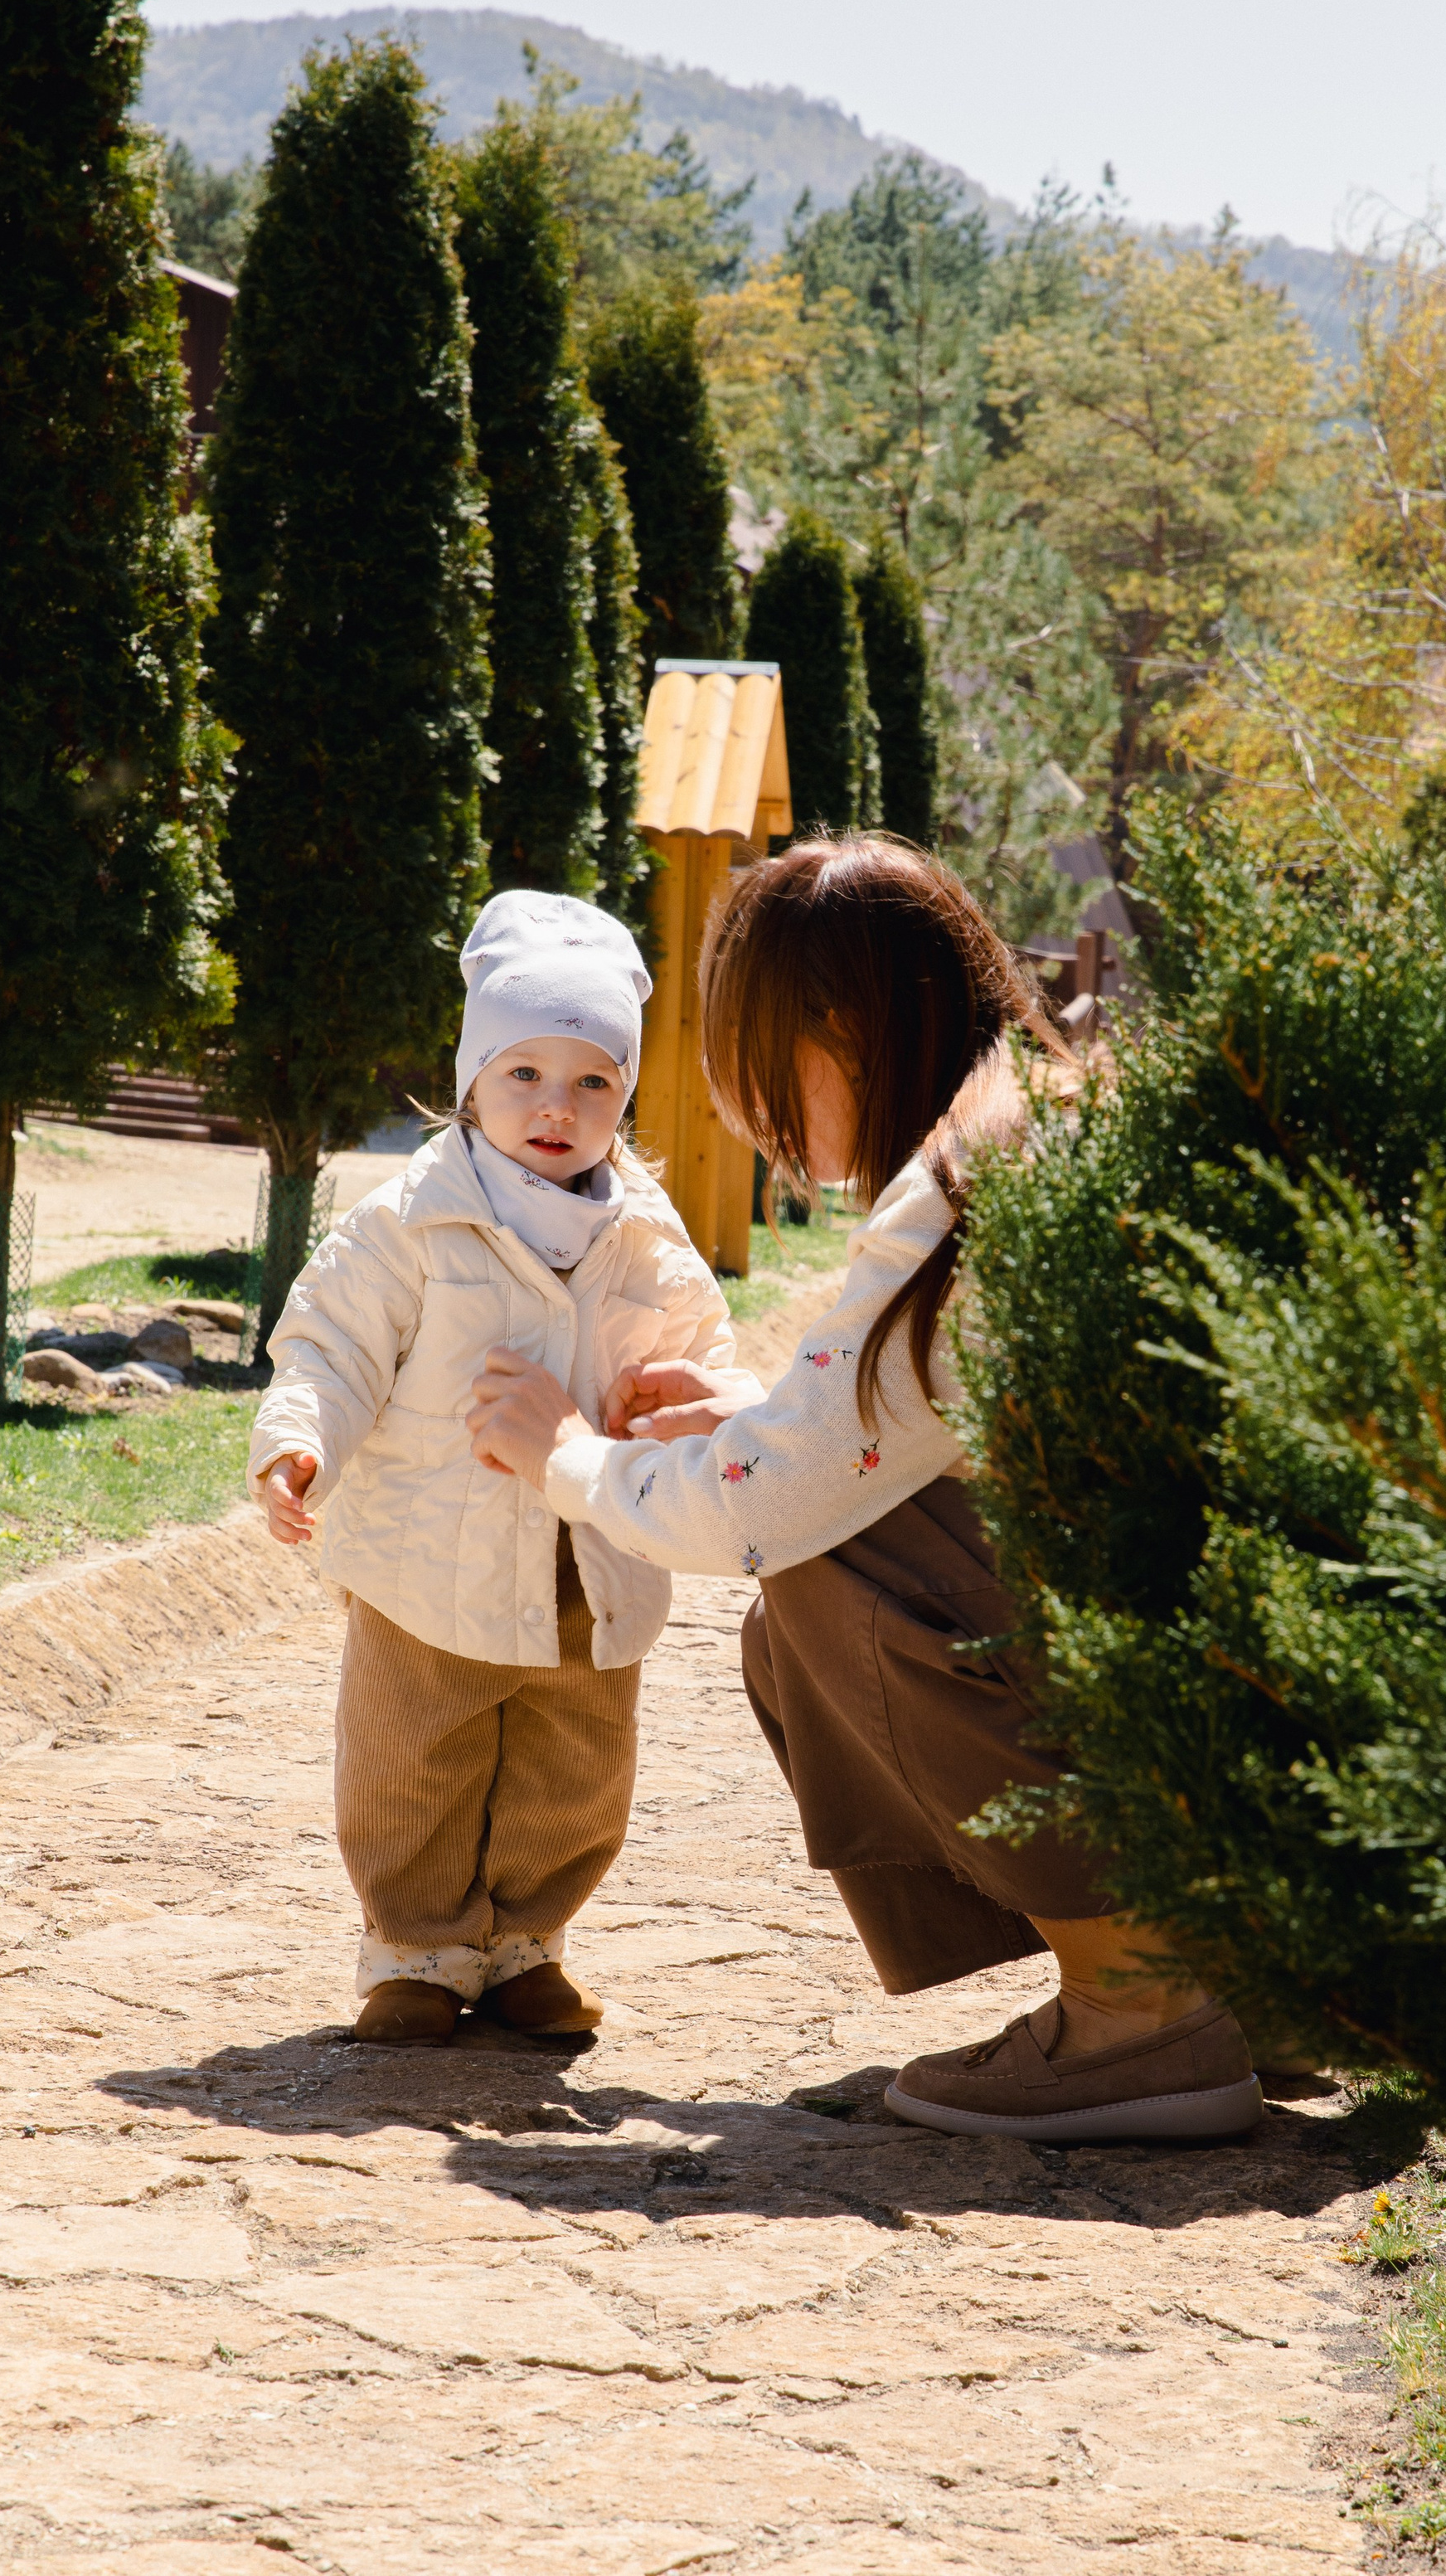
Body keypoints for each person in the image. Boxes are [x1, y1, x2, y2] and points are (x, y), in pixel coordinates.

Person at [463, 839, 1268, 2144]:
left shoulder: (964, 1188)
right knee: (833, 1541)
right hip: (1246, 1704)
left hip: (1187, 1691)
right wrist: (763, 1421)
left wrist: (570, 1456)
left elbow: (766, 1510)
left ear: (842, 1030)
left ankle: (1141, 2006)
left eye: (765, 1065)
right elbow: (927, 1427)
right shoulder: (1045, 1107)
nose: (755, 1118)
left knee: (824, 1577)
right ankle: (1219, 1966)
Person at [247, 892, 742, 2048]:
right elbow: (331, 1341)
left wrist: (693, 1422)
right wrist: (297, 1437)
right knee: (413, 1760)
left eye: (591, 1083)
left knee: (574, 1766)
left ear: (624, 1095)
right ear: (471, 1081)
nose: (556, 1108)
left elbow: (702, 1360)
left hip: (592, 1564)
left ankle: (527, 1942)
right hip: (430, 1563)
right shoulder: (411, 1221)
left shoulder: (650, 1238)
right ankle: (417, 1950)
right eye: (524, 1074)